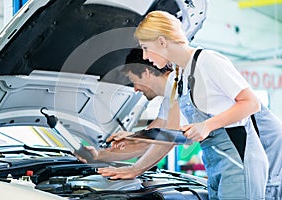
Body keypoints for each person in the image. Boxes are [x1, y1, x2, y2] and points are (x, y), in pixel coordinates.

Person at [98, 11, 269, 200]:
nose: (145, 56)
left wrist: (207, 125)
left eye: (146, 48)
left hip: (239, 160)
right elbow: (168, 132)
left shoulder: (207, 60)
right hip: (215, 162)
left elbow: (251, 103)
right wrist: (135, 158)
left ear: (162, 42)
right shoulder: (178, 76)